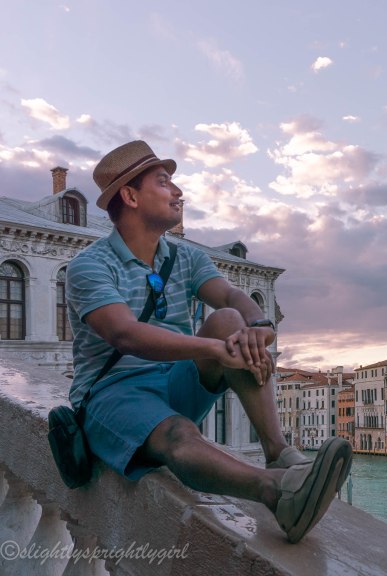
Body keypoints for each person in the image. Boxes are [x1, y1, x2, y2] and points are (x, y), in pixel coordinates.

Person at [67, 140, 351, 544]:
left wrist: (259, 325)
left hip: (174, 381)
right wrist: (215, 350)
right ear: (130, 196)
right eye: (164, 182)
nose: (178, 192)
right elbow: (124, 333)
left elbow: (232, 298)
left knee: (230, 320)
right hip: (113, 394)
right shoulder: (89, 265)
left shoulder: (185, 258)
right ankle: (276, 492)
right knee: (180, 434)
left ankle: (278, 451)